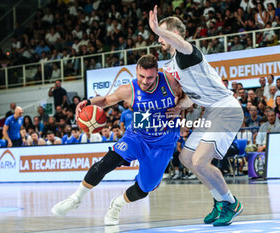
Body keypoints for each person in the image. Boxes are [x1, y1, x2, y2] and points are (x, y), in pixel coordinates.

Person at [51, 54, 182, 225]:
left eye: (150, 77)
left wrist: (181, 107)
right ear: (136, 71)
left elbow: (190, 95)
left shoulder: (171, 82)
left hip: (163, 143)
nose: (145, 81)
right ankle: (75, 198)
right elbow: (105, 100)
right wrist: (87, 101)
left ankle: (116, 205)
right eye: (141, 76)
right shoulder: (129, 90)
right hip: (137, 136)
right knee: (107, 163)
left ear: (157, 73)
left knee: (144, 190)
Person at [149, 6, 244, 226]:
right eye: (159, 35)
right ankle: (219, 201)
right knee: (185, 158)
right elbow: (193, 96)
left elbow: (181, 44)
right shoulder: (171, 65)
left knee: (201, 161)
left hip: (226, 109)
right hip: (209, 110)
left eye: (163, 35)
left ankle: (231, 203)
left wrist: (158, 29)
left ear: (175, 34)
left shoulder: (188, 53)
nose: (159, 40)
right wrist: (179, 106)